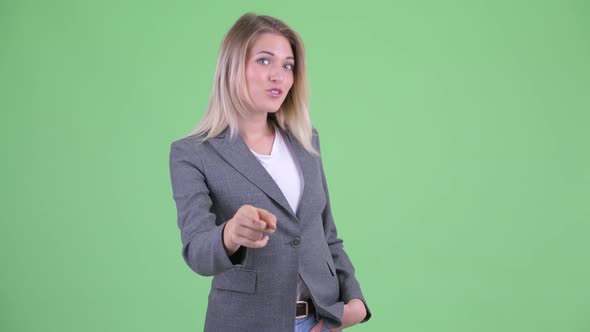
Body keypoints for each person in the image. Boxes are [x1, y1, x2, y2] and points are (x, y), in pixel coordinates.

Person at [169, 13, 371, 331]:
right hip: (245, 323)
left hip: (319, 322)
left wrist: (354, 305)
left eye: (288, 65)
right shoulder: (192, 153)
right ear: (233, 66)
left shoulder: (306, 141)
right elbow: (196, 250)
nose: (279, 75)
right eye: (265, 61)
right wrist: (230, 235)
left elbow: (326, 234)